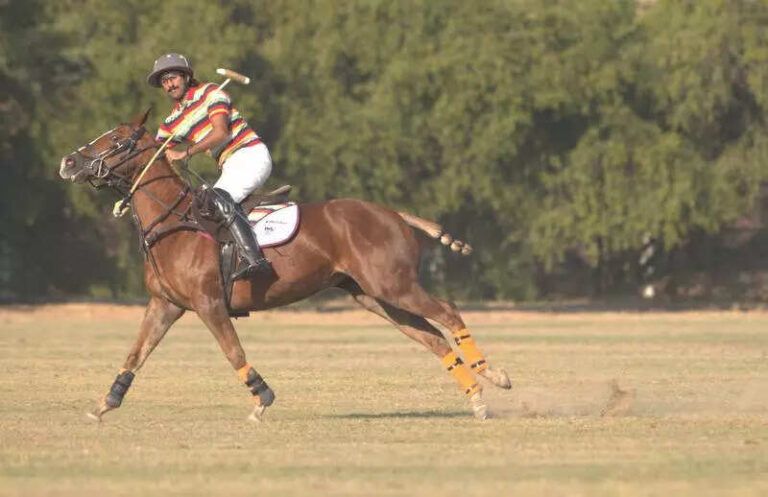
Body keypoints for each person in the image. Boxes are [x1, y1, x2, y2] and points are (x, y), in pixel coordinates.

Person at [147, 53, 272, 279]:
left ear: (186, 76)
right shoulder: (172, 122)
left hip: (250, 154)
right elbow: (153, 151)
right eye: (164, 81)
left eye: (173, 78)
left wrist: (185, 153)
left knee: (217, 200)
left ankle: (255, 260)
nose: (169, 85)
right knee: (202, 207)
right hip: (230, 166)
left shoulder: (211, 93)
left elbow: (221, 133)